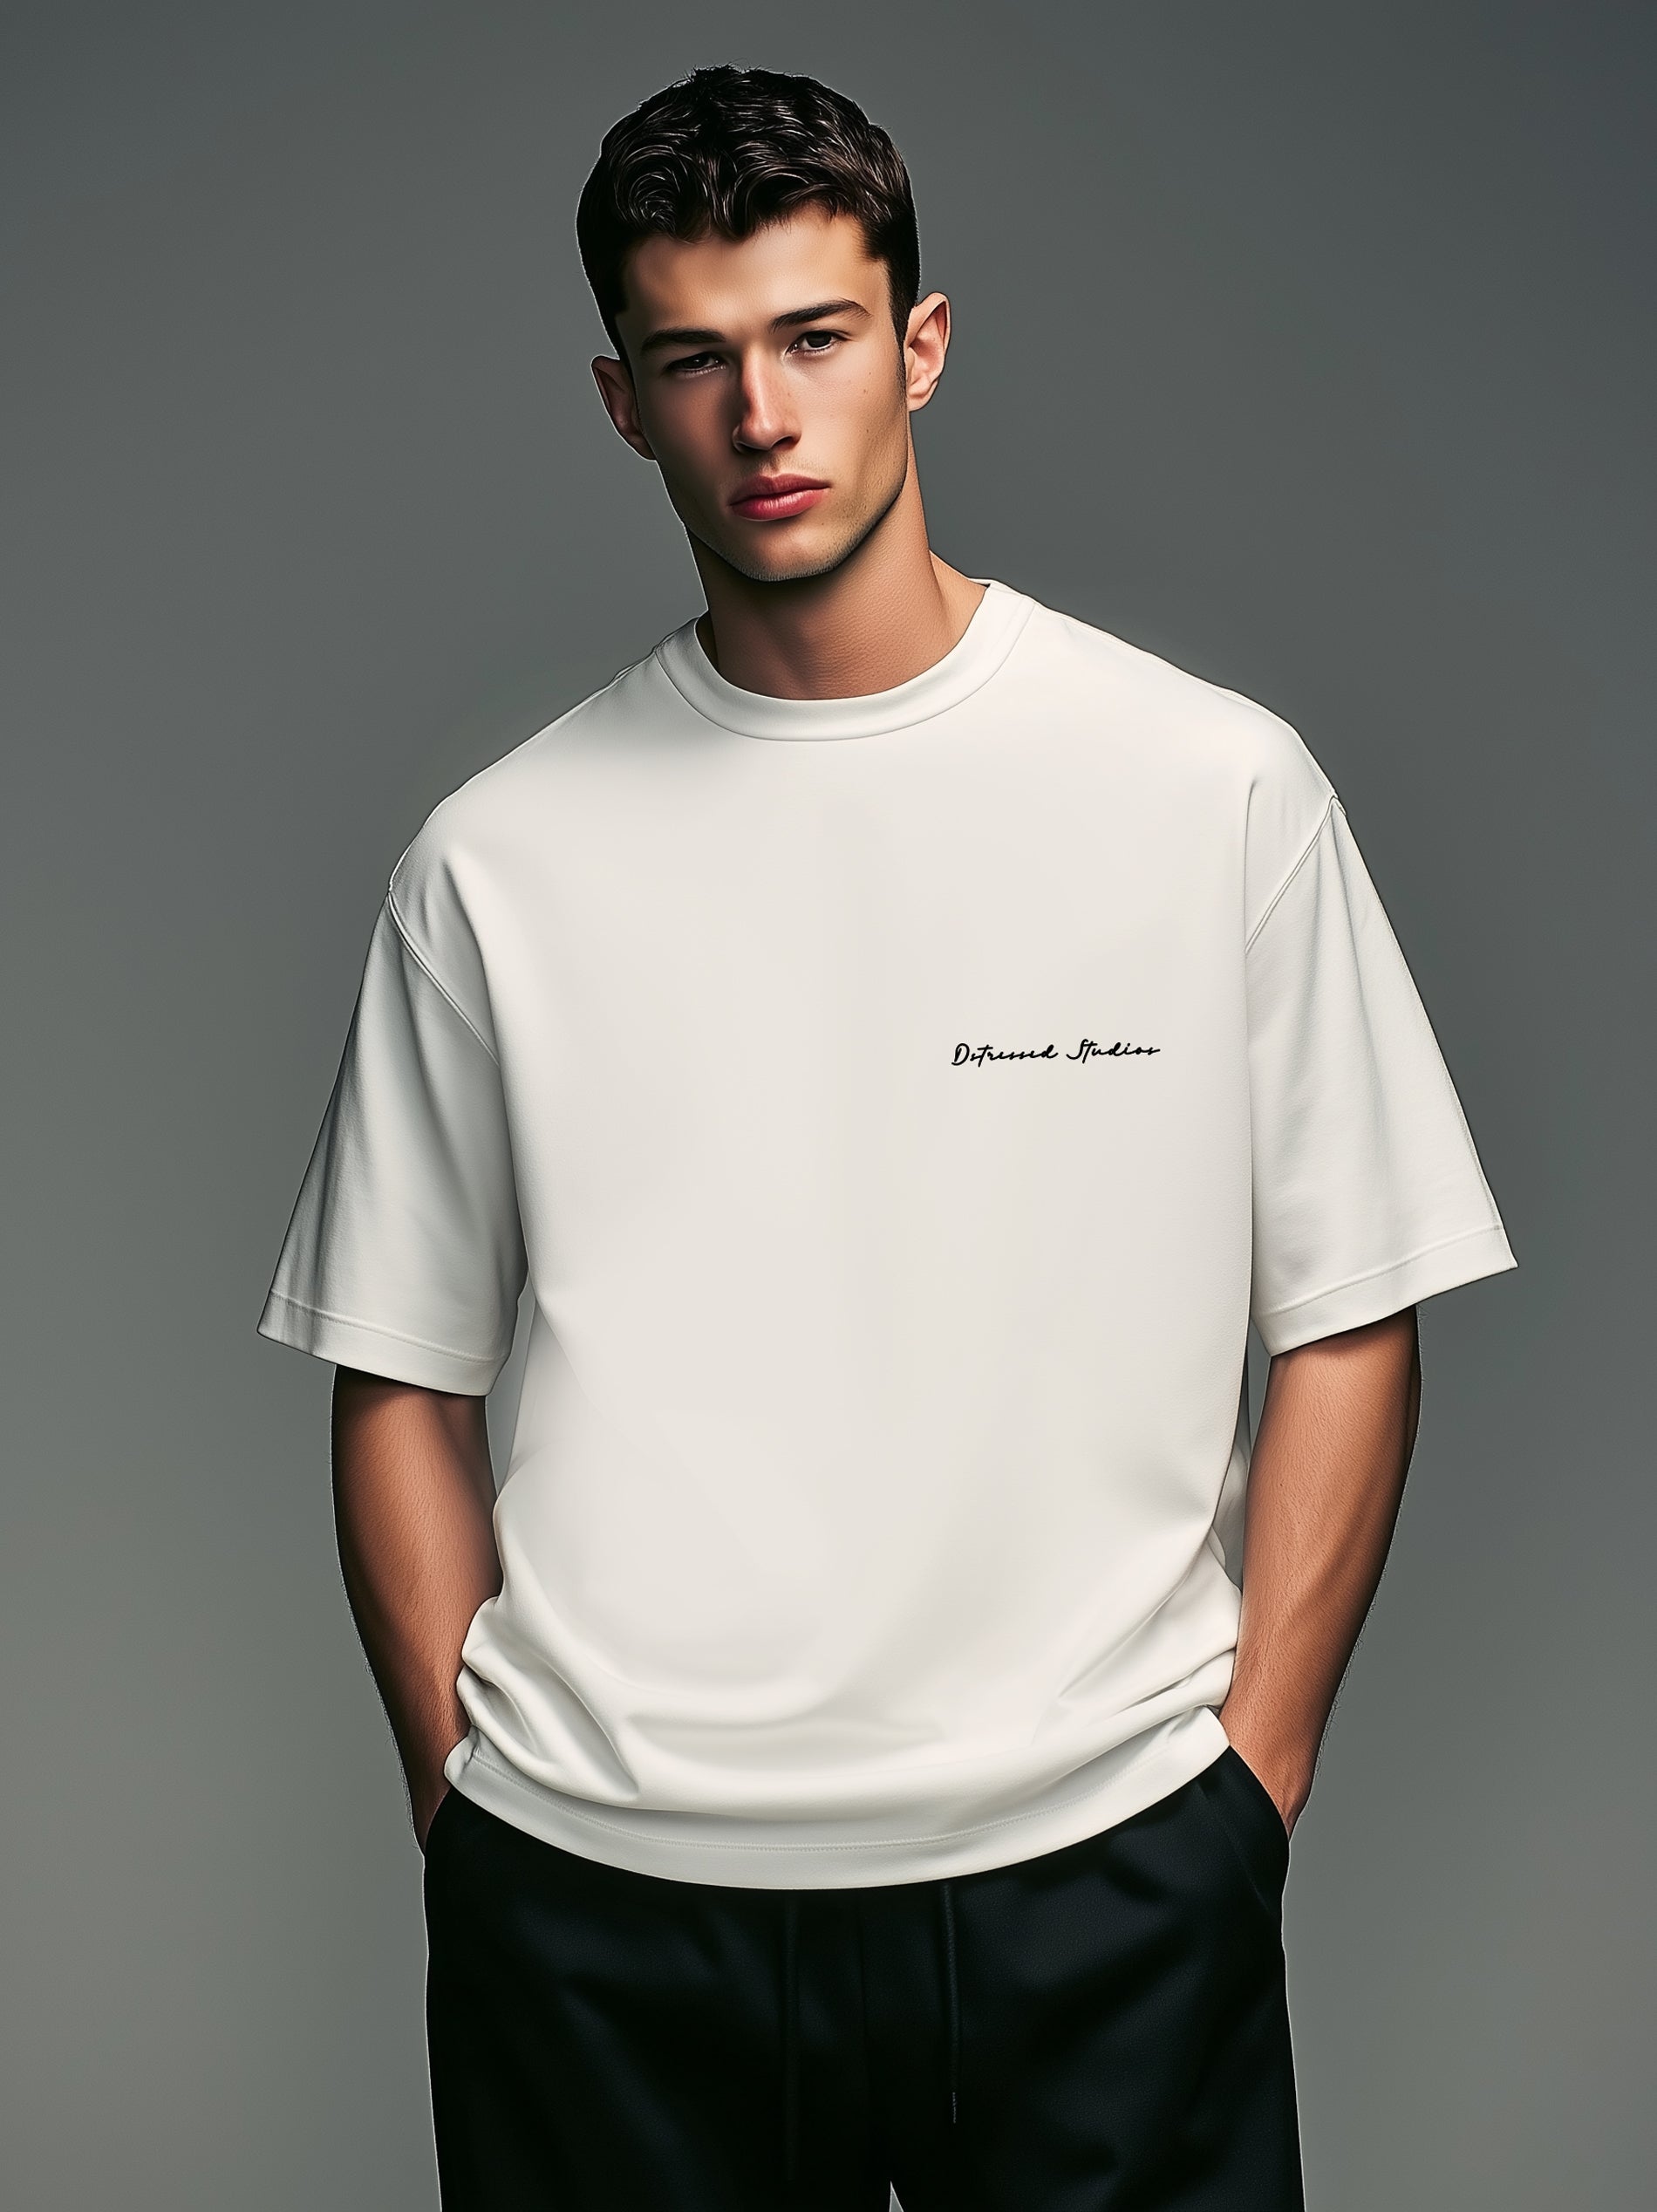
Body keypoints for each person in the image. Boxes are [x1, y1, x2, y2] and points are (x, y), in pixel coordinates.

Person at [258, 62, 1516, 2212]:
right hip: (604, 1905)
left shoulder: (1208, 790)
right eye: (694, 360)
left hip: (1103, 1877)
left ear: (917, 347)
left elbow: (1350, 1302)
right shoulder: (495, 861)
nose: (762, 413)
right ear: (621, 402)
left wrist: (1250, 1779)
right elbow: (396, 1370)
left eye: (814, 337)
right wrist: (467, 1813)